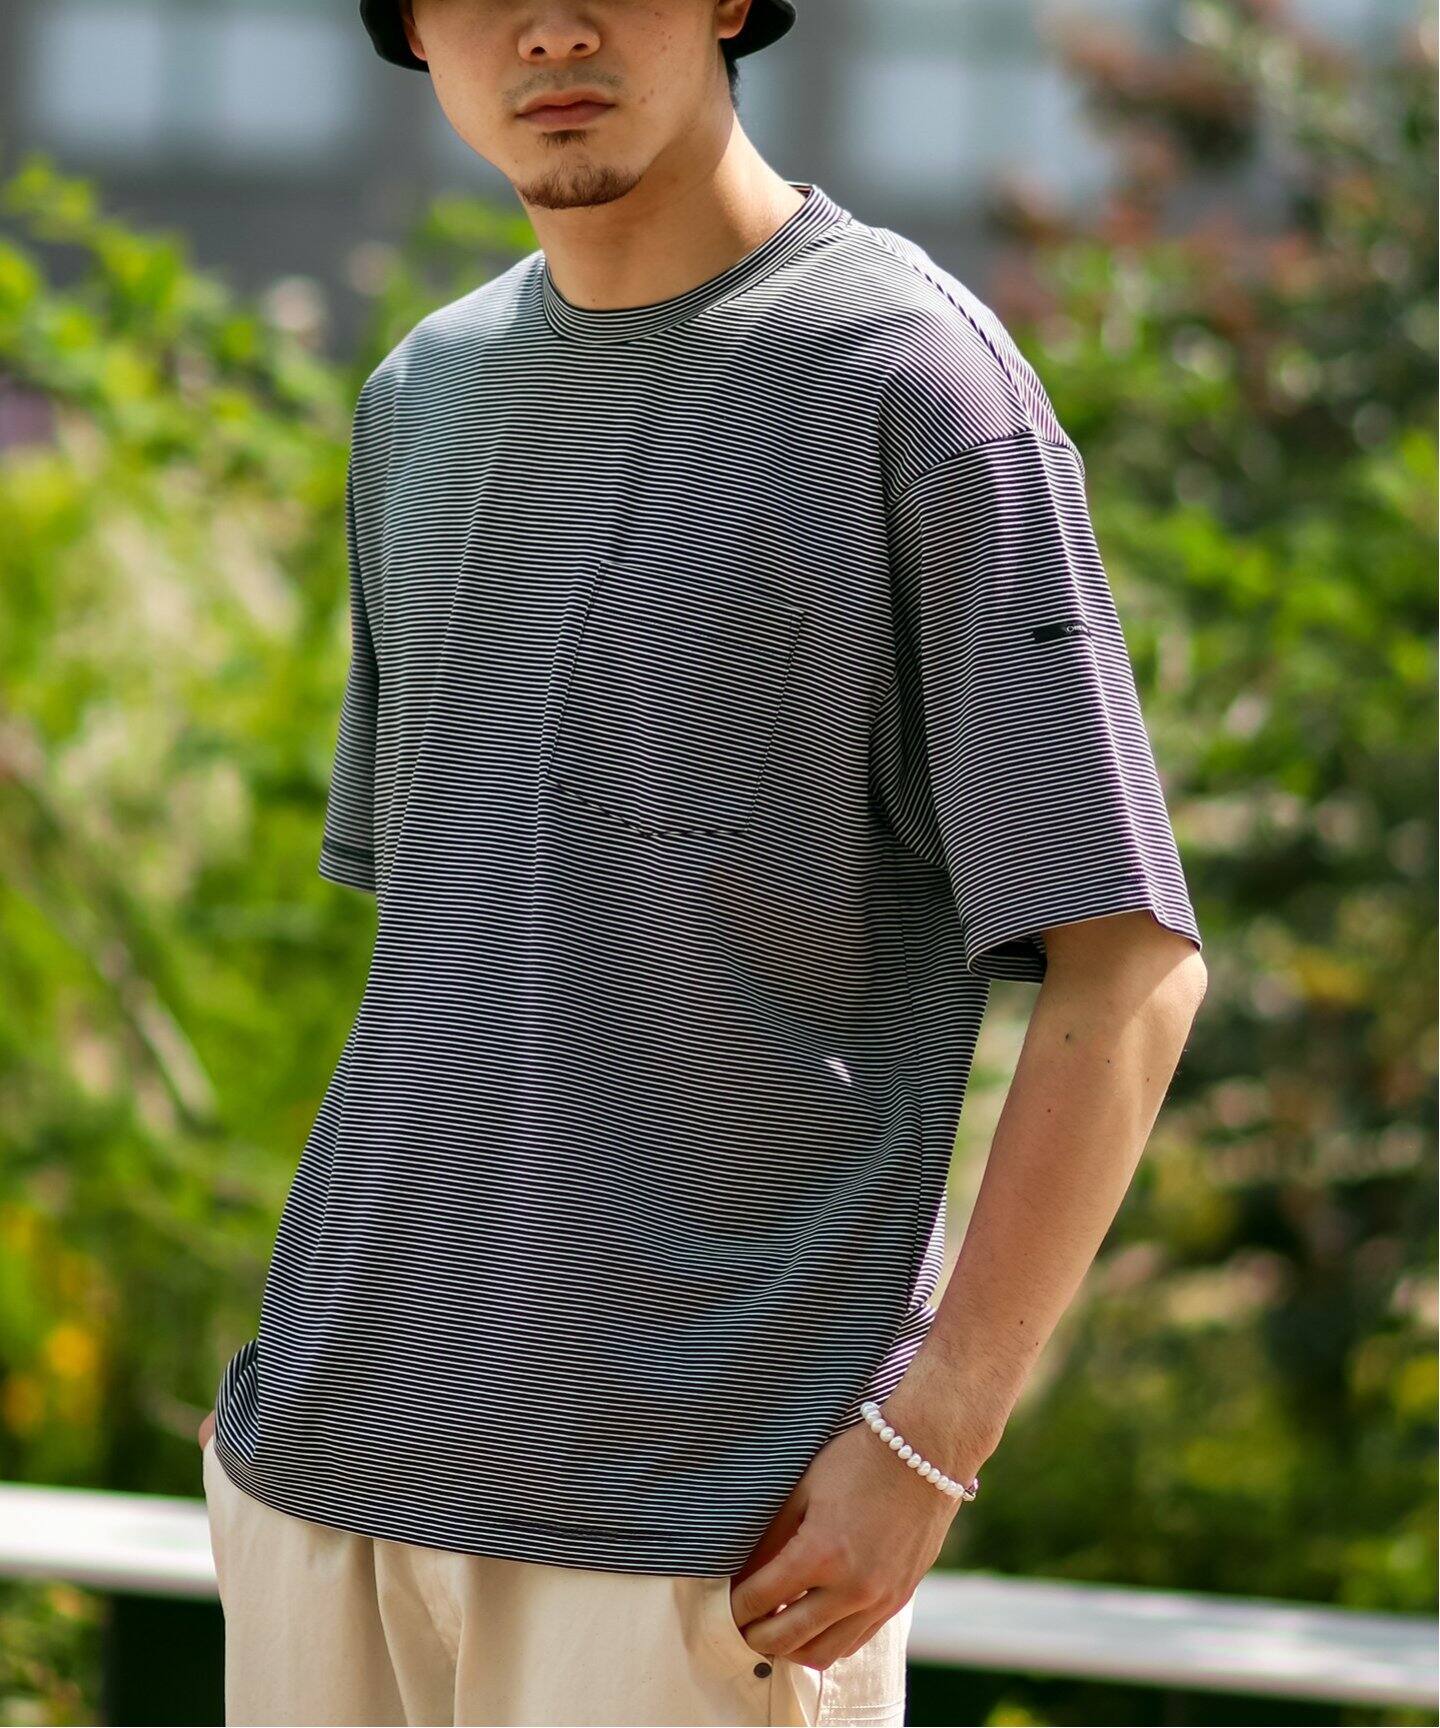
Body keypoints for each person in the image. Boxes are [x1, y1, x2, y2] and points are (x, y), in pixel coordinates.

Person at [197, 0, 1208, 1723]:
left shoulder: (914, 386)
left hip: (703, 1524)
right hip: (324, 1466)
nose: (551, 28)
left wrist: (934, 1435)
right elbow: (464, 953)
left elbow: (1131, 971)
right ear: (412, 31)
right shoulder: (420, 400)